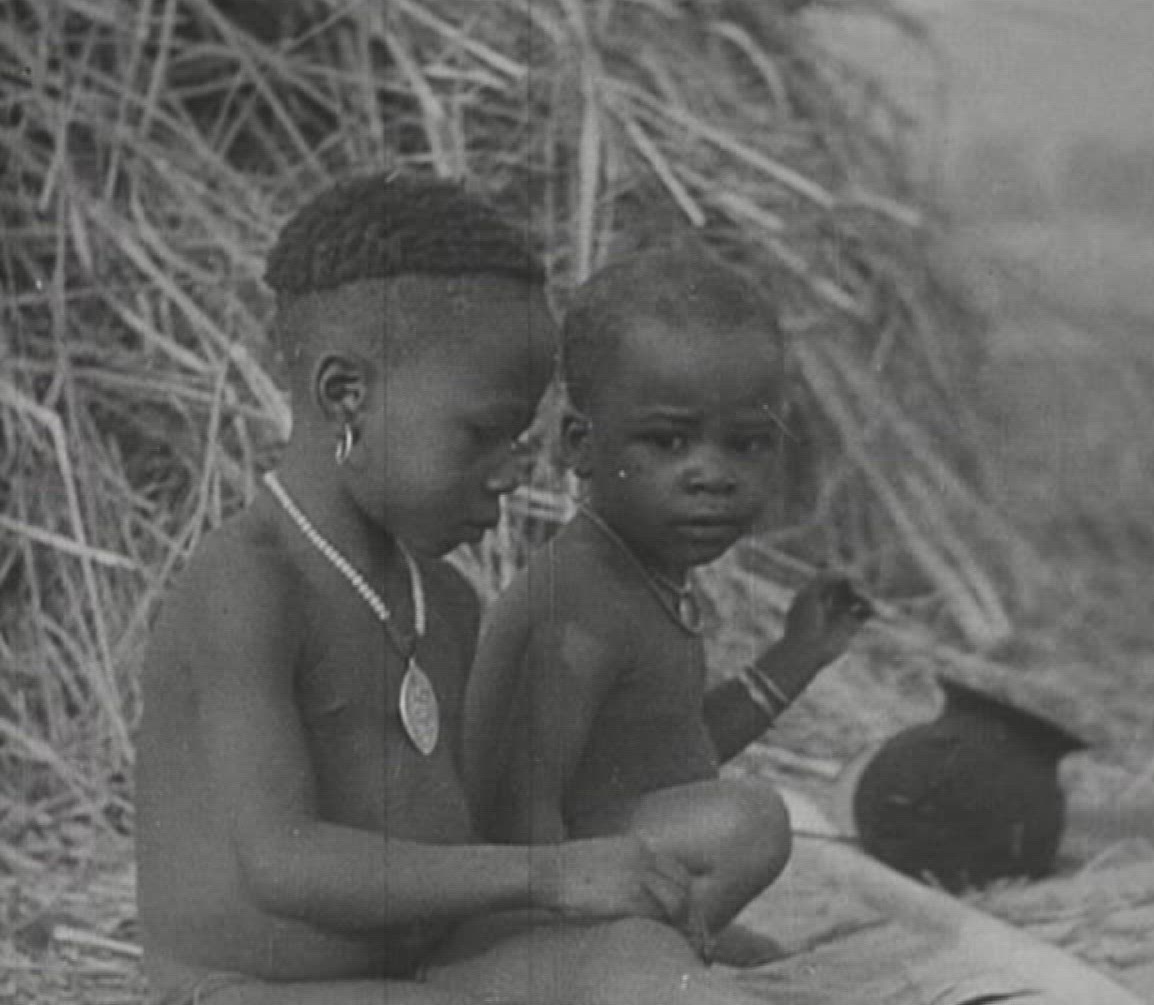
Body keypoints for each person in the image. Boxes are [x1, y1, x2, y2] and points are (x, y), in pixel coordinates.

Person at [134, 176, 764, 1004]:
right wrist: (546, 876)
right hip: (248, 987)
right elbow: (283, 862)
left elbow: (482, 827)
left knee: (645, 963)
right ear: (345, 395)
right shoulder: (247, 586)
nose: (511, 473)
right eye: (482, 433)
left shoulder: (448, 602)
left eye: (520, 440)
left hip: (426, 965)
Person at [474, 241, 873, 957]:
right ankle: (636, 963)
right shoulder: (579, 604)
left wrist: (796, 657)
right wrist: (554, 950)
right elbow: (515, 805)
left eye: (746, 445)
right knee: (750, 821)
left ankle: (659, 951)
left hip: (593, 858)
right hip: (533, 890)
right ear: (579, 445)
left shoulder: (643, 576)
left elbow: (675, 759)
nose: (711, 475)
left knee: (770, 955)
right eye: (668, 441)